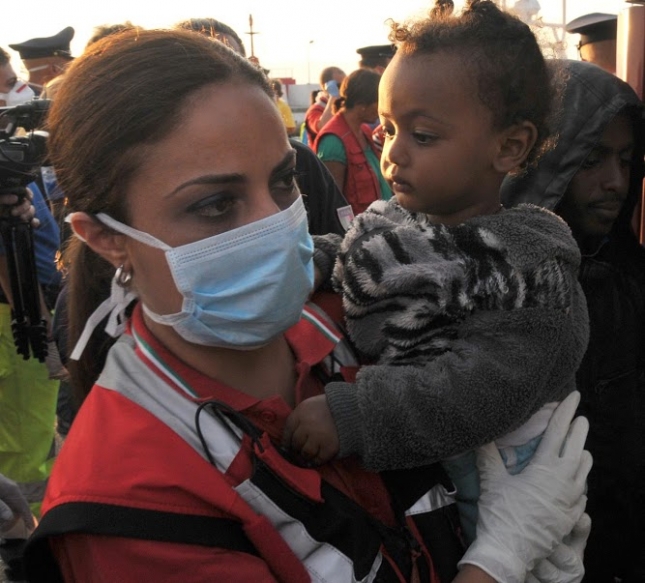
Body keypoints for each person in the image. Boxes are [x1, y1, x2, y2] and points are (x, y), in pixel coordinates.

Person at [20, 28, 591, 583]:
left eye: (283, 181)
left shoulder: (347, 313)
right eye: (215, 204)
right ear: (107, 238)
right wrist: (500, 562)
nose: (272, 225)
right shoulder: (129, 504)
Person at [285, 0, 589, 548]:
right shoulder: (396, 220)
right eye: (387, 130)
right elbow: (353, 249)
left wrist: (358, 416)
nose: (394, 154)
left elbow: (481, 389)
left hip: (498, 494)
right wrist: (307, 262)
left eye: (422, 136)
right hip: (425, 485)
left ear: (509, 146)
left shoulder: (527, 270)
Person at [500, 59, 645, 583]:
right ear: (545, 162)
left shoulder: (628, 274)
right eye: (592, 159)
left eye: (626, 160)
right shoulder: (501, 290)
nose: (615, 182)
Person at [314, 69, 392, 215]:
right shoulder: (333, 141)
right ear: (362, 104)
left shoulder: (364, 131)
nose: (382, 109)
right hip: (361, 226)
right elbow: (333, 202)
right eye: (379, 102)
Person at [8, 28, 74, 96]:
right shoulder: (59, 97)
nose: (70, 71)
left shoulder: (16, 95)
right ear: (54, 69)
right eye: (68, 67)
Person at [303, 66, 346, 146]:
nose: (343, 90)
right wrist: (333, 97)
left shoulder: (345, 107)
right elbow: (322, 127)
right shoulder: (315, 109)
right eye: (340, 86)